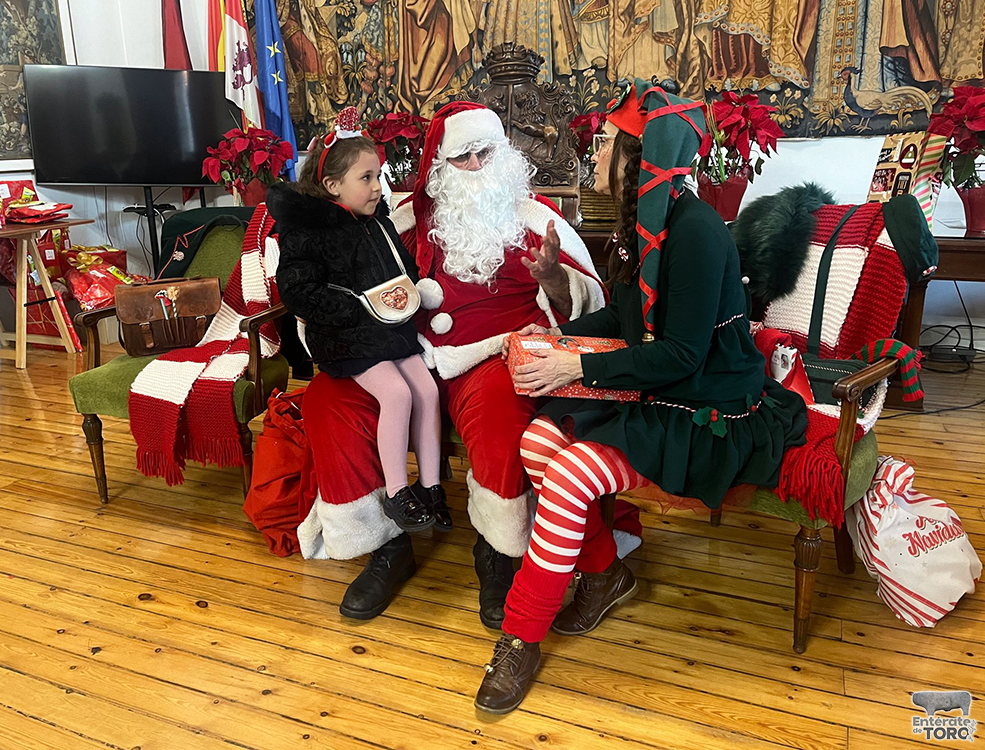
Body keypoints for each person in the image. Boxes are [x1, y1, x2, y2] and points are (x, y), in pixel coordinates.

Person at [474, 80, 808, 714]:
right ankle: (605, 574)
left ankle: (520, 637)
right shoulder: (638, 226)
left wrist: (576, 366)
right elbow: (627, 319)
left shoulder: (696, 232)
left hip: (705, 406)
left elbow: (681, 354)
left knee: (567, 472)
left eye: (606, 142)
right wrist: (558, 337)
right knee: (536, 441)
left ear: (638, 158)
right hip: (658, 387)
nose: (595, 151)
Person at [296, 102, 610, 626]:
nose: (478, 164)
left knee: (501, 412)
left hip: (490, 354)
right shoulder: (401, 221)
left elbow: (591, 305)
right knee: (328, 400)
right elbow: (335, 280)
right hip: (402, 353)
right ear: (440, 165)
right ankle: (385, 546)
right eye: (463, 156)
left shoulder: (534, 220)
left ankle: (498, 550)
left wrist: (555, 279)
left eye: (486, 151)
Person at [268, 107, 451, 554]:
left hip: (388, 326)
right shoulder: (307, 231)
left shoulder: (377, 223)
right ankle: (397, 492)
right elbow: (298, 291)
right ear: (333, 185)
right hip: (346, 334)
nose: (377, 187)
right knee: (398, 394)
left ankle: (431, 487)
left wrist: (407, 291)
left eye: (377, 176)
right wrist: (355, 307)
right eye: (366, 178)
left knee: (426, 390)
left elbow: (402, 269)